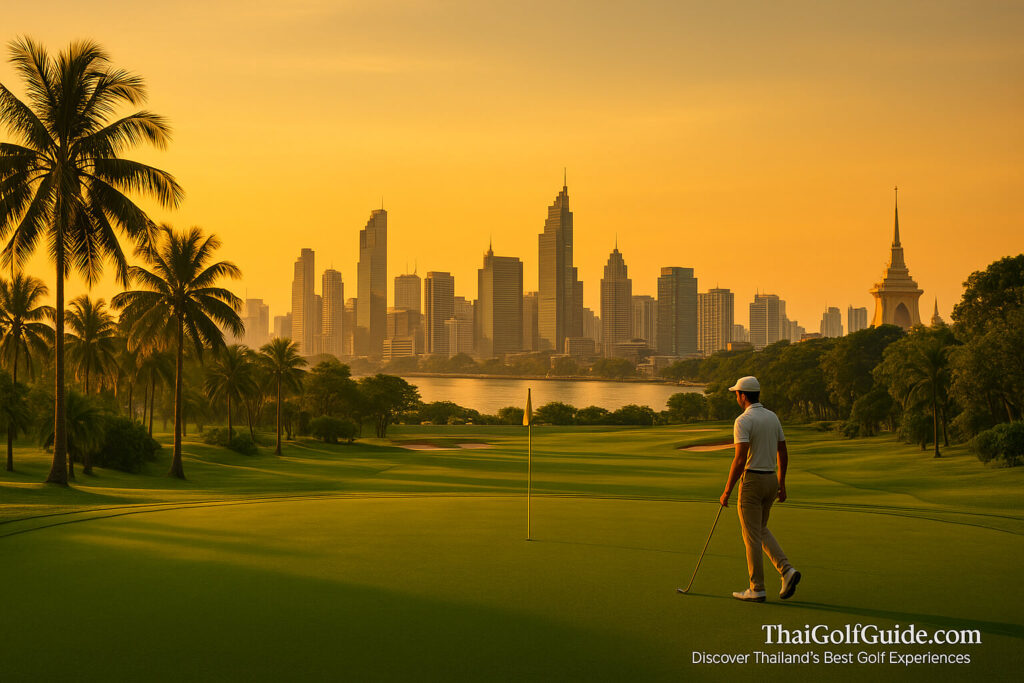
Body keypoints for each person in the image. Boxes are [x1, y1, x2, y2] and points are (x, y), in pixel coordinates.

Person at [719, 376, 800, 602]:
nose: (736, 396)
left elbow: (740, 458)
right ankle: (786, 570)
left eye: (737, 393)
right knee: (760, 529)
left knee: (751, 536)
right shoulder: (772, 417)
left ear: (743, 396)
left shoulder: (743, 420)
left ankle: (757, 588)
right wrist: (781, 484)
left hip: (752, 482)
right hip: (771, 479)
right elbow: (782, 452)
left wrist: (727, 490)